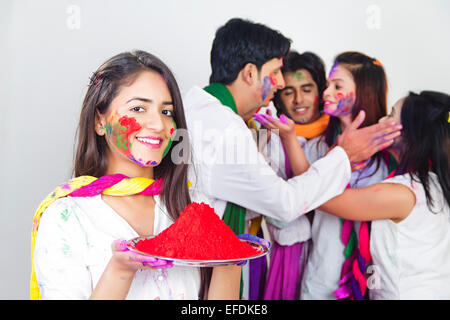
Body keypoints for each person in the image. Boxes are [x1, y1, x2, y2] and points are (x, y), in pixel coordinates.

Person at [180, 18, 402, 299]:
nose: (282, 84)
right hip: (204, 270)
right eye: (275, 73)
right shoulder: (227, 127)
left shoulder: (198, 104)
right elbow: (284, 203)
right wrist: (344, 155)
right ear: (249, 73)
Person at [31, 50, 241, 300]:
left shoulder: (192, 207)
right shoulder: (65, 217)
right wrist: (120, 270)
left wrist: (231, 261)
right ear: (100, 121)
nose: (158, 124)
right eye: (139, 108)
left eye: (167, 112)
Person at [320, 90, 450, 299]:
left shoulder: (403, 193)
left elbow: (321, 197)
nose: (382, 119)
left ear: (410, 133)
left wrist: (341, 151)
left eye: (390, 114)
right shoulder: (431, 182)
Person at [298, 52, 395, 300]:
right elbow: (296, 200)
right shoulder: (315, 148)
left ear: (365, 92)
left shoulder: (389, 156)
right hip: (321, 279)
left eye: (337, 86)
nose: (326, 92)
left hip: (375, 284)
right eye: (327, 84)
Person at [259, 50, 329, 299]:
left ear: (321, 91)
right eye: (289, 92)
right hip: (289, 255)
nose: (299, 100)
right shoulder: (272, 139)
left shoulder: (336, 138)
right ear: (279, 97)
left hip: (331, 254)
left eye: (307, 89)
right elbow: (272, 205)